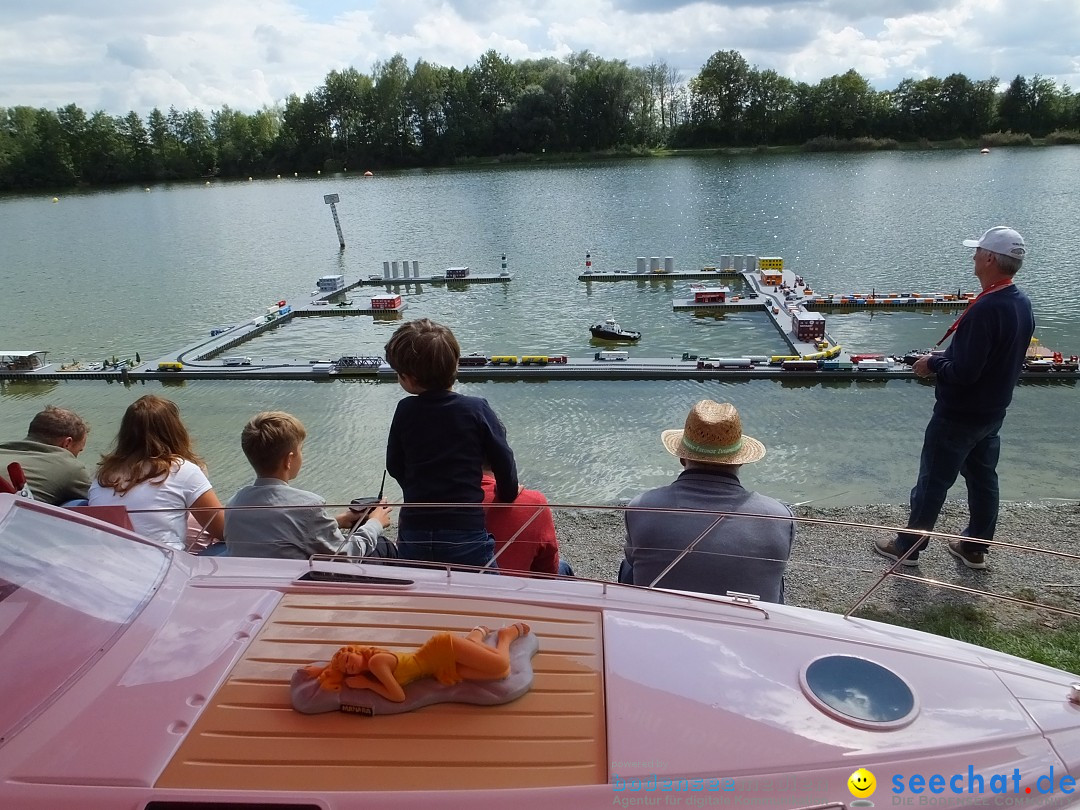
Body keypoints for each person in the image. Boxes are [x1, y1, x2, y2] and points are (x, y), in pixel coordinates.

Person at [875, 226, 1035, 571]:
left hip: (959, 413)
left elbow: (964, 373)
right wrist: (951, 358)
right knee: (982, 479)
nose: (973, 256)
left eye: (977, 251)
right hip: (992, 411)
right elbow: (994, 359)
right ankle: (973, 547)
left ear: (990, 258)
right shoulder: (1020, 302)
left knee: (932, 481)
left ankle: (907, 547)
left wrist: (933, 363)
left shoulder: (986, 308)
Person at [620, 400, 795, 603]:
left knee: (629, 566)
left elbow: (633, 566)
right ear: (740, 460)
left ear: (682, 458)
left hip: (662, 622)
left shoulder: (642, 507)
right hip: (747, 627)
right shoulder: (779, 516)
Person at [384, 318, 519, 568]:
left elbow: (394, 464)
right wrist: (507, 493)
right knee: (486, 593)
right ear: (455, 363)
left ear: (409, 379)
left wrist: (416, 488)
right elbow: (503, 457)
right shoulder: (476, 408)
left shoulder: (405, 409)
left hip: (415, 528)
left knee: (419, 588)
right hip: (465, 529)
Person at [225, 411, 393, 559]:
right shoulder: (307, 505)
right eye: (301, 449)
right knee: (382, 545)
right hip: (295, 586)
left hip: (254, 582)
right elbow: (346, 554)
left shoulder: (234, 504)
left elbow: (277, 530)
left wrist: (337, 521)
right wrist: (375, 523)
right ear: (289, 460)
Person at [88, 395, 225, 551]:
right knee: (228, 546)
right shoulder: (183, 470)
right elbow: (223, 530)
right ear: (175, 431)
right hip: (161, 566)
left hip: (112, 564)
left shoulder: (102, 474)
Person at [306, 622, 531, 702]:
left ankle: (506, 635)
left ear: (356, 650)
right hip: (437, 668)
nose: (348, 666)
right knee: (498, 675)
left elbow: (398, 696)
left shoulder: (376, 664)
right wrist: (322, 669)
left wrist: (368, 685)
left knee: (502, 666)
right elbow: (337, 667)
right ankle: (475, 636)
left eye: (348, 658)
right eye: (346, 669)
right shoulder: (369, 668)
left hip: (443, 648)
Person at [481, 465, 572, 576]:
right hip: (515, 589)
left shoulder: (456, 501)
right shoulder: (534, 503)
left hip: (461, 585)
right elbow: (549, 571)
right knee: (563, 567)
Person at [0, 406, 91, 505]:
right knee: (80, 503)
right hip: (10, 517)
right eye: (78, 451)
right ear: (67, 443)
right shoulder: (69, 466)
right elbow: (100, 499)